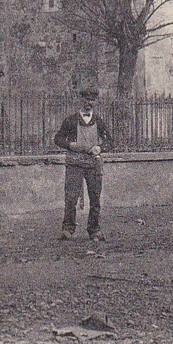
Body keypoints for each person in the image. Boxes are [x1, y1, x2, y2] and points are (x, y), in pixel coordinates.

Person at [55, 88, 112, 241]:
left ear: (95, 102)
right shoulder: (70, 120)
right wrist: (70, 145)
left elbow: (109, 141)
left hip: (93, 164)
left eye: (92, 100)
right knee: (71, 197)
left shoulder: (99, 121)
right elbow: (58, 139)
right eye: (86, 100)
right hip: (74, 163)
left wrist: (100, 148)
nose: (89, 103)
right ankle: (68, 228)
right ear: (80, 100)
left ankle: (94, 229)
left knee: (95, 197)